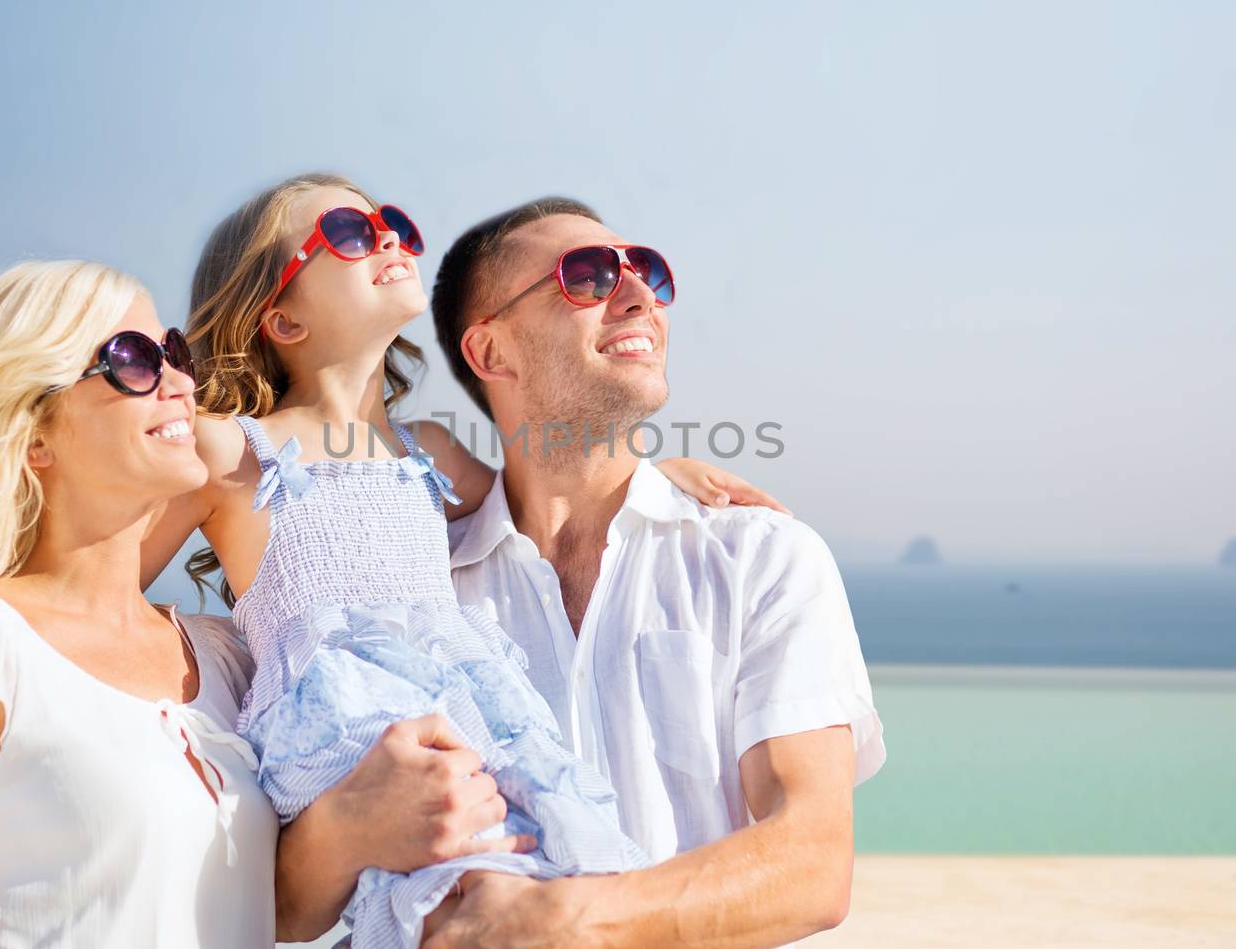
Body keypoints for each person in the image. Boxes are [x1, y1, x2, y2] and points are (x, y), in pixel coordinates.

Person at [129, 173, 779, 945]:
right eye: (349, 232)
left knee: (550, 859)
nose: (389, 240)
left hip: (468, 704)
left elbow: (547, 480)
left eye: (392, 224)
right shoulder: (232, 450)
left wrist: (656, 474)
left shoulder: (427, 450)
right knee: (450, 889)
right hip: (347, 723)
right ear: (283, 319)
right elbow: (103, 575)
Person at [414, 196, 887, 947]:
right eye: (590, 275)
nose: (640, 296)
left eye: (648, 272)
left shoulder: (762, 558)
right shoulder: (419, 594)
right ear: (490, 353)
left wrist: (564, 921)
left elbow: (813, 861)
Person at [0, 261, 279, 946]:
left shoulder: (229, 657)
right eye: (132, 360)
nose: (181, 382)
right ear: (34, 434)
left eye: (174, 352)